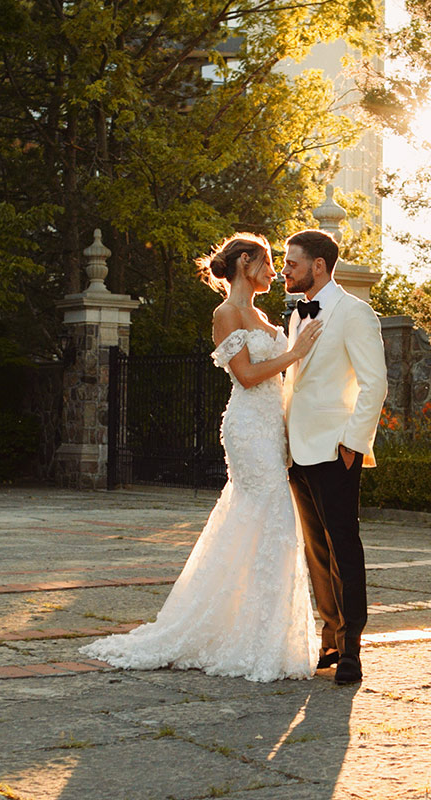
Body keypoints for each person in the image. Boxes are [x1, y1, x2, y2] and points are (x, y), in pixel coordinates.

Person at [80, 233, 322, 682]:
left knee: (257, 523)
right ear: (246, 262)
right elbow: (247, 376)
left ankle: (254, 632)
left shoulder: (262, 314)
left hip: (271, 429)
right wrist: (294, 352)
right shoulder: (225, 313)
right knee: (274, 519)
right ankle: (252, 639)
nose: (275, 272)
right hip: (249, 429)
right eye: (269, 263)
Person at [282, 229, 388, 685]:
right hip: (297, 451)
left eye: (292, 264)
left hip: (334, 449)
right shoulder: (296, 317)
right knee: (316, 552)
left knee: (344, 548)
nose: (285, 271)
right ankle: (329, 636)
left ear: (319, 265)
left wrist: (352, 443)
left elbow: (374, 383)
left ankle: (351, 650)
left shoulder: (355, 313)